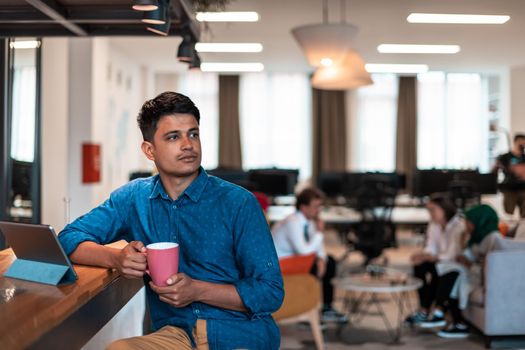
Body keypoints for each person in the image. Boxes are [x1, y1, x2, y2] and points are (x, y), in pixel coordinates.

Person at [58, 92, 284, 350]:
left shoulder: (239, 203)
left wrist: (197, 290)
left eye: (193, 133)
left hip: (241, 334)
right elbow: (68, 237)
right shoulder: (134, 198)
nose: (188, 145)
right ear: (149, 150)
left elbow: (271, 293)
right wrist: (116, 259)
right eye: (174, 137)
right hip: (178, 335)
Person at [271, 187, 347, 324]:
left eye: (320, 206)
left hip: (296, 259)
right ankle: (311, 308)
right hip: (279, 263)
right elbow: (304, 251)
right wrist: (320, 232)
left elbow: (317, 247)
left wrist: (322, 259)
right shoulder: (292, 222)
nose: (318, 210)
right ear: (303, 207)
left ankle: (325, 308)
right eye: (315, 206)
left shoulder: (310, 221)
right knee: (318, 266)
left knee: (329, 261)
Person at [436, 204, 501, 338]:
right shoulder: (478, 236)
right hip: (472, 273)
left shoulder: (493, 238)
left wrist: (470, 264)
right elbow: (466, 255)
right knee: (450, 272)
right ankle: (449, 316)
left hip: (482, 277)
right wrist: (463, 242)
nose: (466, 225)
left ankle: (443, 311)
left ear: (480, 220)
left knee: (453, 275)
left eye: (468, 221)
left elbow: (492, 266)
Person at [404, 194, 465, 327]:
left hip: (451, 262)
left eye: (433, 210)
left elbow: (453, 253)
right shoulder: (434, 224)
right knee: (419, 265)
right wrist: (423, 255)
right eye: (428, 210)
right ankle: (424, 309)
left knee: (437, 270)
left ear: (444, 209)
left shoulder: (458, 225)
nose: (430, 213)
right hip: (439, 260)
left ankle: (432, 310)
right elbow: (431, 246)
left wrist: (433, 257)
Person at [493, 133, 525, 217]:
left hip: (523, 189)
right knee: (508, 215)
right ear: (515, 142)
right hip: (509, 189)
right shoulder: (505, 157)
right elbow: (494, 170)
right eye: (521, 142)